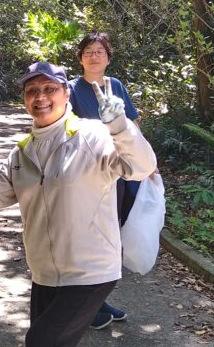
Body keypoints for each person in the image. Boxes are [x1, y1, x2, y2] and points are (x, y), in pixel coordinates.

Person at [0, 61, 157, 347]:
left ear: (66, 94)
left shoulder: (94, 135)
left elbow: (142, 167)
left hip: (90, 271)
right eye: (32, 90)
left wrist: (120, 127)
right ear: (24, 99)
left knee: (39, 341)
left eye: (49, 89)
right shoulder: (22, 152)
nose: (40, 97)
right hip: (44, 273)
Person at [68, 32, 140, 330]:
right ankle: (83, 307)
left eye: (100, 51)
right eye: (88, 51)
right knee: (89, 238)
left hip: (118, 171)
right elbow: (65, 129)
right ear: (80, 57)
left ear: (108, 58)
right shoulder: (70, 89)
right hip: (87, 174)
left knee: (110, 237)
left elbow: (132, 123)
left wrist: (145, 160)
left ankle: (96, 300)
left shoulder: (116, 86)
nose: (94, 56)